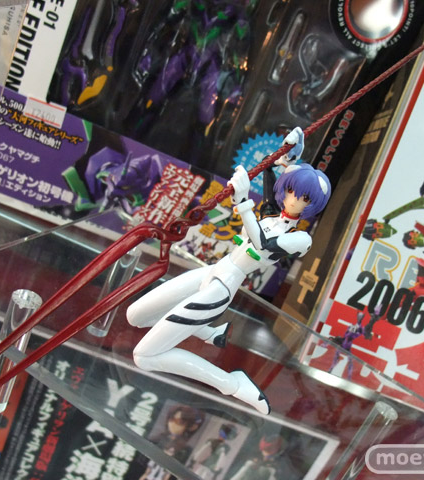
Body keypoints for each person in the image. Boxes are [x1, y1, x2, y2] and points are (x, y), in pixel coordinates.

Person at [127, 127, 331, 414]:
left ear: (312, 206)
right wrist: (291, 153)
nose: (294, 199)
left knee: (144, 356)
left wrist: (243, 201)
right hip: (212, 271)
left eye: (305, 199)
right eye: (291, 191)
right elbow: (271, 171)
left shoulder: (300, 238)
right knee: (134, 315)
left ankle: (232, 383)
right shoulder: (273, 213)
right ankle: (208, 332)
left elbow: (262, 244)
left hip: (221, 288)